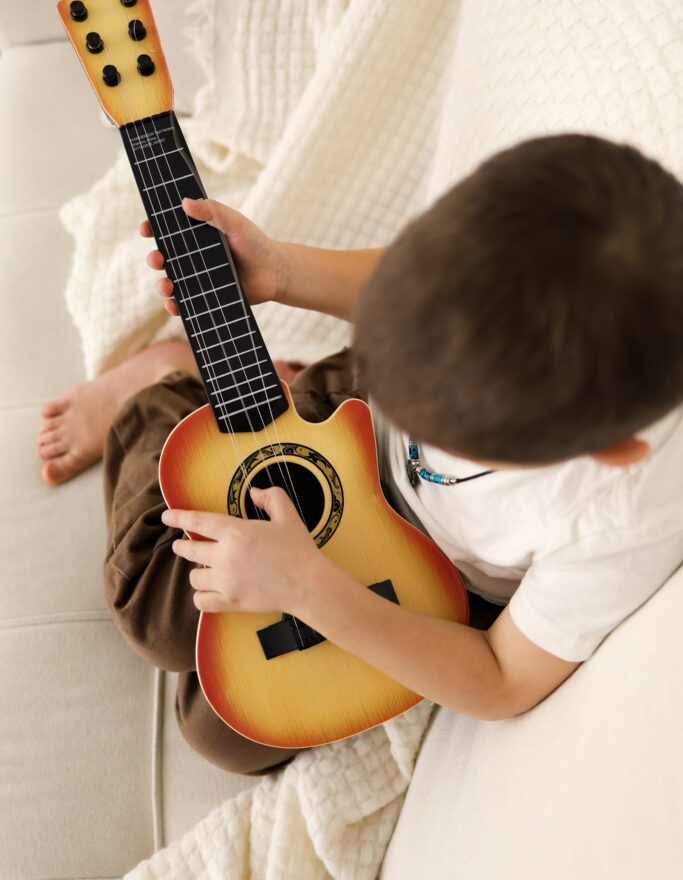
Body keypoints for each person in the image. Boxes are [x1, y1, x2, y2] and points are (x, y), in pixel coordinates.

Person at [36, 132, 683, 775]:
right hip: (347, 416)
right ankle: (164, 393)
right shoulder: (554, 242)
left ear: (611, 451)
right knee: (157, 619)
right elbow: (407, 279)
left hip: (435, 569)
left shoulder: (625, 516)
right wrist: (287, 272)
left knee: (223, 729)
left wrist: (309, 591)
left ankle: (213, 393)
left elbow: (502, 679)